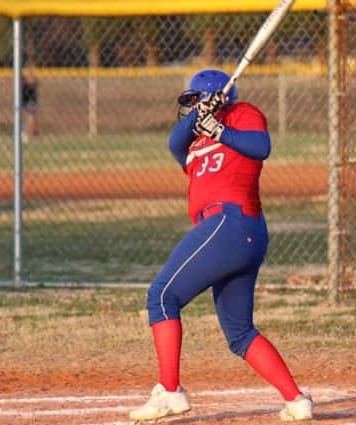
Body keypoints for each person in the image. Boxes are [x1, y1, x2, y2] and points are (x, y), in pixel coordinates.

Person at [129, 69, 313, 422]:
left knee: (162, 295)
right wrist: (203, 115)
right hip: (231, 233)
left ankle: (169, 391)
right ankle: (296, 400)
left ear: (219, 97)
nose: (191, 109)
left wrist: (220, 127)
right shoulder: (193, 143)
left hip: (230, 223)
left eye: (196, 99)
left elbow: (262, 147)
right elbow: (174, 143)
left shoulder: (243, 114)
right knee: (239, 332)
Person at [21, 64, 39, 142]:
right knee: (30, 118)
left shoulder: (33, 81)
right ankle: (27, 134)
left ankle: (27, 133)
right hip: (25, 101)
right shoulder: (24, 80)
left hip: (31, 101)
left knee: (31, 118)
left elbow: (33, 84)